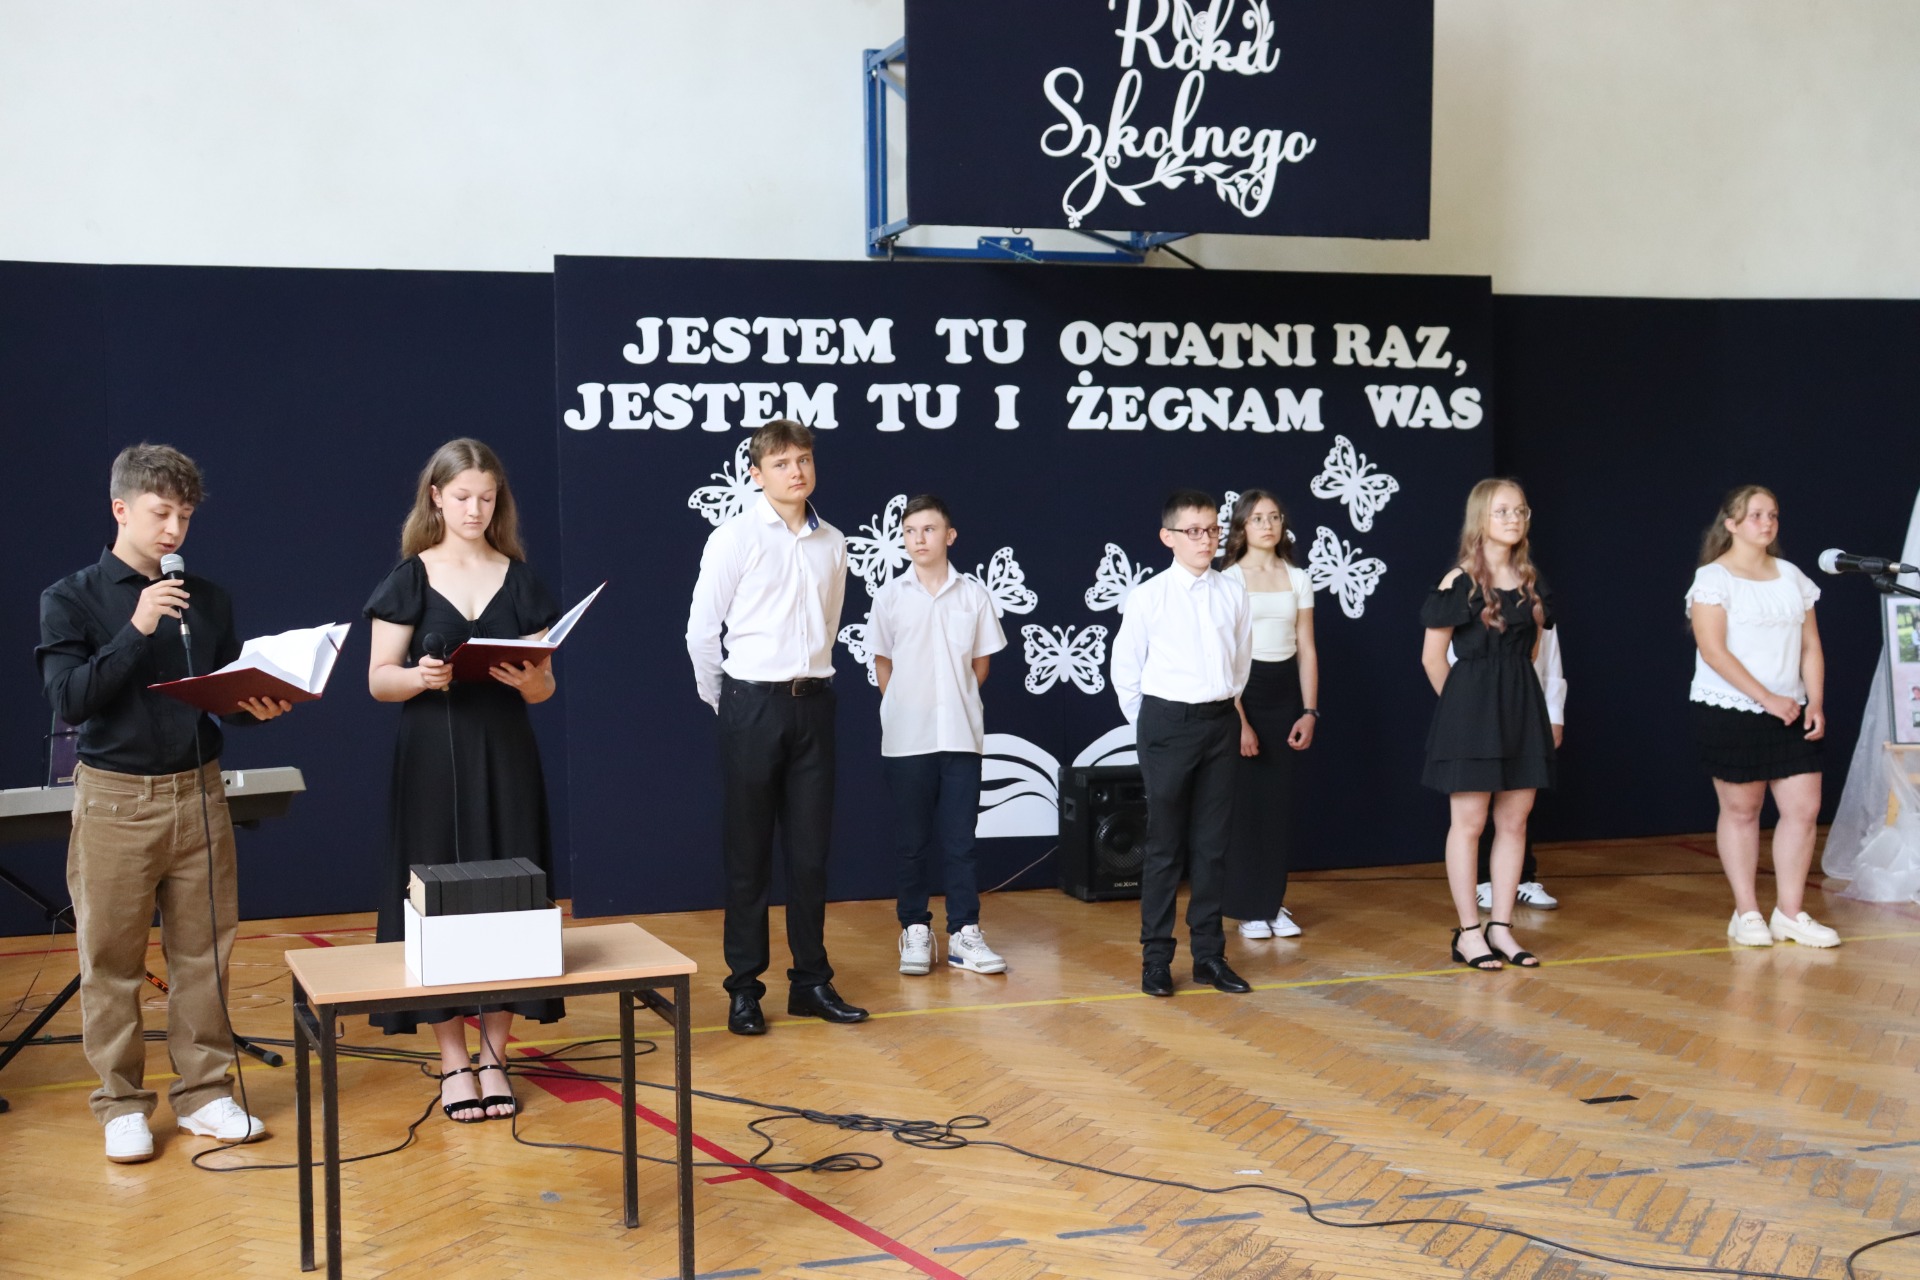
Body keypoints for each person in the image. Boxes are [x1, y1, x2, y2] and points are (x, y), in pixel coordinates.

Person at [38, 444, 291, 1163]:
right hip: (115, 799)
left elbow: (221, 691)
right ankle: (121, 1104)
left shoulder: (206, 598)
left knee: (203, 954)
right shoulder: (70, 598)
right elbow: (71, 699)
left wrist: (258, 703)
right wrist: (137, 626)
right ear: (121, 509)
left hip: (199, 793)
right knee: (111, 960)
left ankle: (206, 1094)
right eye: (161, 513)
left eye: (184, 515)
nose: (174, 529)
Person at [365, 438, 563, 1122]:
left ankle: (495, 1055)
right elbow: (378, 680)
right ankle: (453, 1058)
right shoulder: (410, 577)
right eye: (461, 497)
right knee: (437, 894)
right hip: (432, 752)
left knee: (511, 893)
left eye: (486, 498)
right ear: (436, 498)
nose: (475, 510)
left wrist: (532, 681)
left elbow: (544, 688)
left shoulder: (521, 578)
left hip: (506, 749)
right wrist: (419, 677)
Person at [686, 419, 868, 1035]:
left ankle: (811, 982)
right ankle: (744, 988)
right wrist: (728, 703)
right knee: (749, 856)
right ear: (756, 474)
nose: (797, 471)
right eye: (783, 462)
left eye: (805, 460)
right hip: (751, 705)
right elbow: (700, 633)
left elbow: (830, 621)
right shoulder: (733, 538)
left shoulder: (833, 542)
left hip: (814, 702)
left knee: (811, 855)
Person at [1111, 489, 1254, 997]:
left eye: (1212, 529)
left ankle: (1209, 957)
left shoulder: (1233, 591)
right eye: (1193, 531)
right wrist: (1152, 725)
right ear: (1167, 537)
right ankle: (1155, 959)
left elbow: (1241, 661)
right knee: (1165, 846)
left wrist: (1223, 704)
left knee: (1212, 846)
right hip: (1166, 724)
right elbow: (1126, 670)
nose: (1205, 539)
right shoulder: (1149, 596)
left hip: (1220, 721)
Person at [1685, 485, 1837, 948]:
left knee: (1803, 809)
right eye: (1755, 515)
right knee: (1742, 810)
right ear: (1731, 524)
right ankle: (1746, 912)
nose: (1767, 523)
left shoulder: (1792, 576)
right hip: (1730, 710)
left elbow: (1811, 646)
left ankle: (1790, 912)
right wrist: (1767, 698)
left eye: (1772, 515)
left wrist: (1815, 701)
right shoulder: (1713, 578)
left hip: (1790, 710)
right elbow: (1713, 651)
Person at [867, 495, 1009, 976]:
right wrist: (905, 706)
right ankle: (914, 929)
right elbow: (883, 662)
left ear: (949, 536)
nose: (918, 539)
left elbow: (980, 665)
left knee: (960, 841)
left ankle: (964, 933)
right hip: (906, 739)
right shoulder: (889, 596)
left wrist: (953, 701)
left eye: (928, 530)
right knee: (912, 842)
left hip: (961, 736)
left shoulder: (973, 596)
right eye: (910, 531)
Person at [1420, 479, 1556, 971]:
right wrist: (1465, 710)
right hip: (1471, 716)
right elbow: (1433, 658)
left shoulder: (1531, 581)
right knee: (1470, 823)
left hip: (1520, 710)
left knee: (1515, 822)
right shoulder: (1457, 581)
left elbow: (1532, 652)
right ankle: (1469, 932)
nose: (1513, 518)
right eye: (1502, 511)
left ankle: (1501, 927)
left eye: (1520, 510)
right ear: (1481, 518)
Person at [1218, 490, 1318, 940]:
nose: (1267, 525)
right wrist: (1240, 719)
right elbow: (1227, 656)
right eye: (1258, 518)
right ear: (1242, 526)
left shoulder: (1298, 577)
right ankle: (1248, 908)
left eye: (1274, 517)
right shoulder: (1228, 579)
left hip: (1284, 695)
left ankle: (1272, 903)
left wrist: (1309, 710)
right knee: (1246, 807)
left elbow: (1307, 648)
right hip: (1243, 693)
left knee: (1277, 807)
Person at [1473, 626, 1566, 910]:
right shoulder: (1468, 600)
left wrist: (1554, 715)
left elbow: (1549, 659)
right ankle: (1482, 880)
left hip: (1527, 709)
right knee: (1479, 800)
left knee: (1520, 803)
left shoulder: (1537, 603)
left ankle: (1522, 878)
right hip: (1480, 708)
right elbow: (1447, 658)